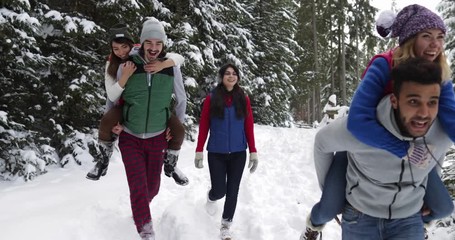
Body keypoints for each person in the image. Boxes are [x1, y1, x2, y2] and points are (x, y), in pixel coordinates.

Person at [301, 4, 455, 240]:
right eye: (427, 36)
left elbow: (448, 121)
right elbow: (357, 121)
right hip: (362, 141)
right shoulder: (384, 64)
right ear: (410, 39)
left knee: (443, 207)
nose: (435, 44)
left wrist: (421, 167)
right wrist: (402, 149)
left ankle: (414, 223)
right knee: (330, 205)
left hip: (409, 158)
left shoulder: (439, 75)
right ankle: (313, 225)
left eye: (440, 37)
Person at [314, 57, 452, 239]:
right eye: (413, 102)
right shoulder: (361, 128)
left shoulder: (442, 132)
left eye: (432, 102)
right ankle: (313, 225)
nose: (424, 113)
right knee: (326, 209)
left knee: (444, 208)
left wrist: (424, 197)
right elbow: (322, 142)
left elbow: (435, 158)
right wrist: (330, 191)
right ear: (394, 101)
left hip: (409, 218)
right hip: (360, 215)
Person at [109, 18, 187, 240]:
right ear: (142, 43)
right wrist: (114, 122)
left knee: (152, 188)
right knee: (138, 187)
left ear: (163, 46)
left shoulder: (171, 68)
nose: (153, 48)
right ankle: (146, 232)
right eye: (149, 42)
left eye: (158, 44)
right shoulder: (128, 65)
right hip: (130, 136)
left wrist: (174, 126)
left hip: (157, 137)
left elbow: (181, 100)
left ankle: (139, 208)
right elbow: (113, 98)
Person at [86, 23, 189, 186]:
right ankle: (103, 160)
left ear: (132, 45)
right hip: (123, 105)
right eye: (116, 48)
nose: (122, 52)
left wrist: (164, 64)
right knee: (106, 121)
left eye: (125, 47)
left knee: (179, 131)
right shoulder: (113, 64)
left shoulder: (141, 53)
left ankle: (171, 164)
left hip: (152, 110)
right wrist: (114, 125)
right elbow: (111, 97)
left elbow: (178, 58)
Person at [194, 63, 258, 240]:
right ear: (222, 77)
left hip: (239, 153)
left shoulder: (243, 98)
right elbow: (204, 125)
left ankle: (226, 225)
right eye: (227, 73)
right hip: (216, 152)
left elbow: (248, 126)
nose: (231, 76)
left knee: (233, 189)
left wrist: (253, 151)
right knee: (220, 190)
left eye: (234, 73)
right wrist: (199, 150)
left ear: (238, 77)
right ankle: (212, 196)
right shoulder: (212, 98)